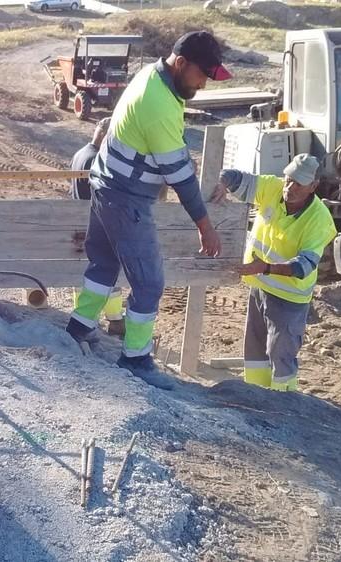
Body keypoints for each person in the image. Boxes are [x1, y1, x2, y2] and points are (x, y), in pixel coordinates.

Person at [65, 31, 232, 390]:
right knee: (150, 282)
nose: (203, 84)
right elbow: (181, 177)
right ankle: (136, 359)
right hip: (124, 198)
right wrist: (205, 226)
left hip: (106, 183)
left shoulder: (155, 77)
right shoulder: (157, 103)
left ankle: (78, 327)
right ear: (182, 63)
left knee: (104, 263)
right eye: (202, 75)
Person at [214, 154, 337, 392]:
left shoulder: (319, 220)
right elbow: (234, 177)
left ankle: (283, 405)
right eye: (288, 179)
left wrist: (266, 268)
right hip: (260, 287)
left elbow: (304, 266)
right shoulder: (272, 187)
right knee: (255, 350)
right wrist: (222, 183)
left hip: (289, 298)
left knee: (280, 355)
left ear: (313, 186)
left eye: (298, 183)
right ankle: (256, 398)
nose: (289, 187)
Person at [70, 118, 126, 335]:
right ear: (105, 136)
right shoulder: (96, 159)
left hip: (80, 221)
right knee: (106, 270)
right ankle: (114, 319)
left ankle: (84, 314)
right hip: (94, 221)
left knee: (85, 275)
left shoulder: (80, 153)